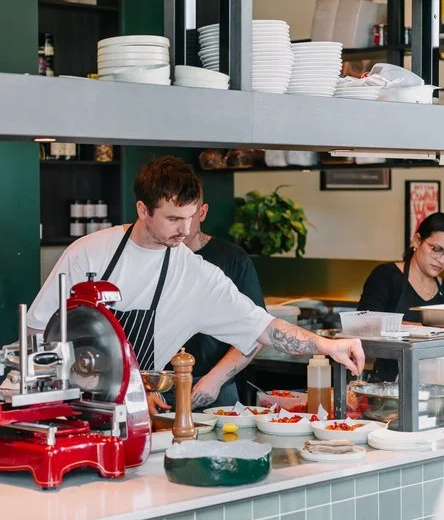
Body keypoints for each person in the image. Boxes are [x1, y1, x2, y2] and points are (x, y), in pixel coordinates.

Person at [27, 155, 364, 413]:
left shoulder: (195, 274)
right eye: (173, 218)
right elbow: (38, 334)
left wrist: (325, 345)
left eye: (190, 218)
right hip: (68, 404)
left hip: (135, 410)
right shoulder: (88, 254)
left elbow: (264, 328)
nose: (185, 230)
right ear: (143, 210)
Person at [167, 192, 266, 409]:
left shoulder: (233, 259)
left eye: (188, 217)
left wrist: (216, 378)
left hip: (214, 388)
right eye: (173, 218)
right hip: (157, 387)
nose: (181, 228)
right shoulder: (156, 256)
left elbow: (257, 332)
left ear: (202, 213)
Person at [358, 211, 444, 381]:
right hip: (388, 386)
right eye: (436, 249)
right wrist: (424, 329)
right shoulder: (386, 276)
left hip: (435, 387)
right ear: (417, 240)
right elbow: (363, 324)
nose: (441, 260)